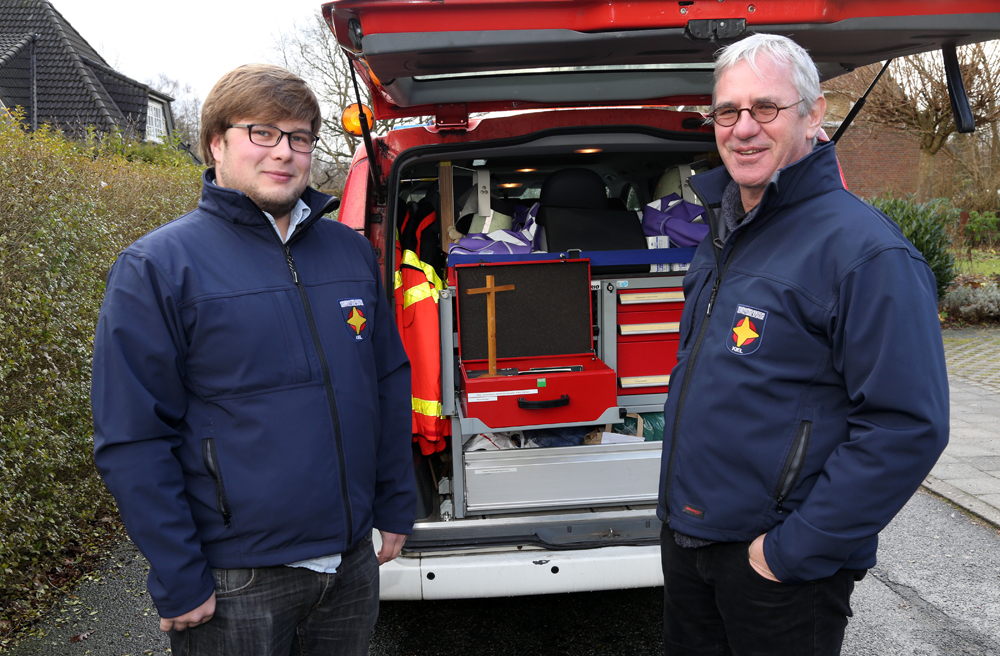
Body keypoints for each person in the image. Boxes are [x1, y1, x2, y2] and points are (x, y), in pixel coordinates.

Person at [91, 64, 416, 655]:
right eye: (261, 132)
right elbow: (132, 436)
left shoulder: (349, 254)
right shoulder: (158, 268)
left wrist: (395, 502)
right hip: (236, 580)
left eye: (299, 136)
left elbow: (387, 384)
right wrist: (177, 574)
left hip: (349, 570)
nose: (284, 152)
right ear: (216, 142)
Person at [657, 34, 949, 655]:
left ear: (814, 115)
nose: (743, 129)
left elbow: (906, 425)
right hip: (691, 545)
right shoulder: (725, 230)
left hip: (778, 571)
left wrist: (791, 551)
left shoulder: (867, 253)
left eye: (765, 108)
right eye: (728, 112)